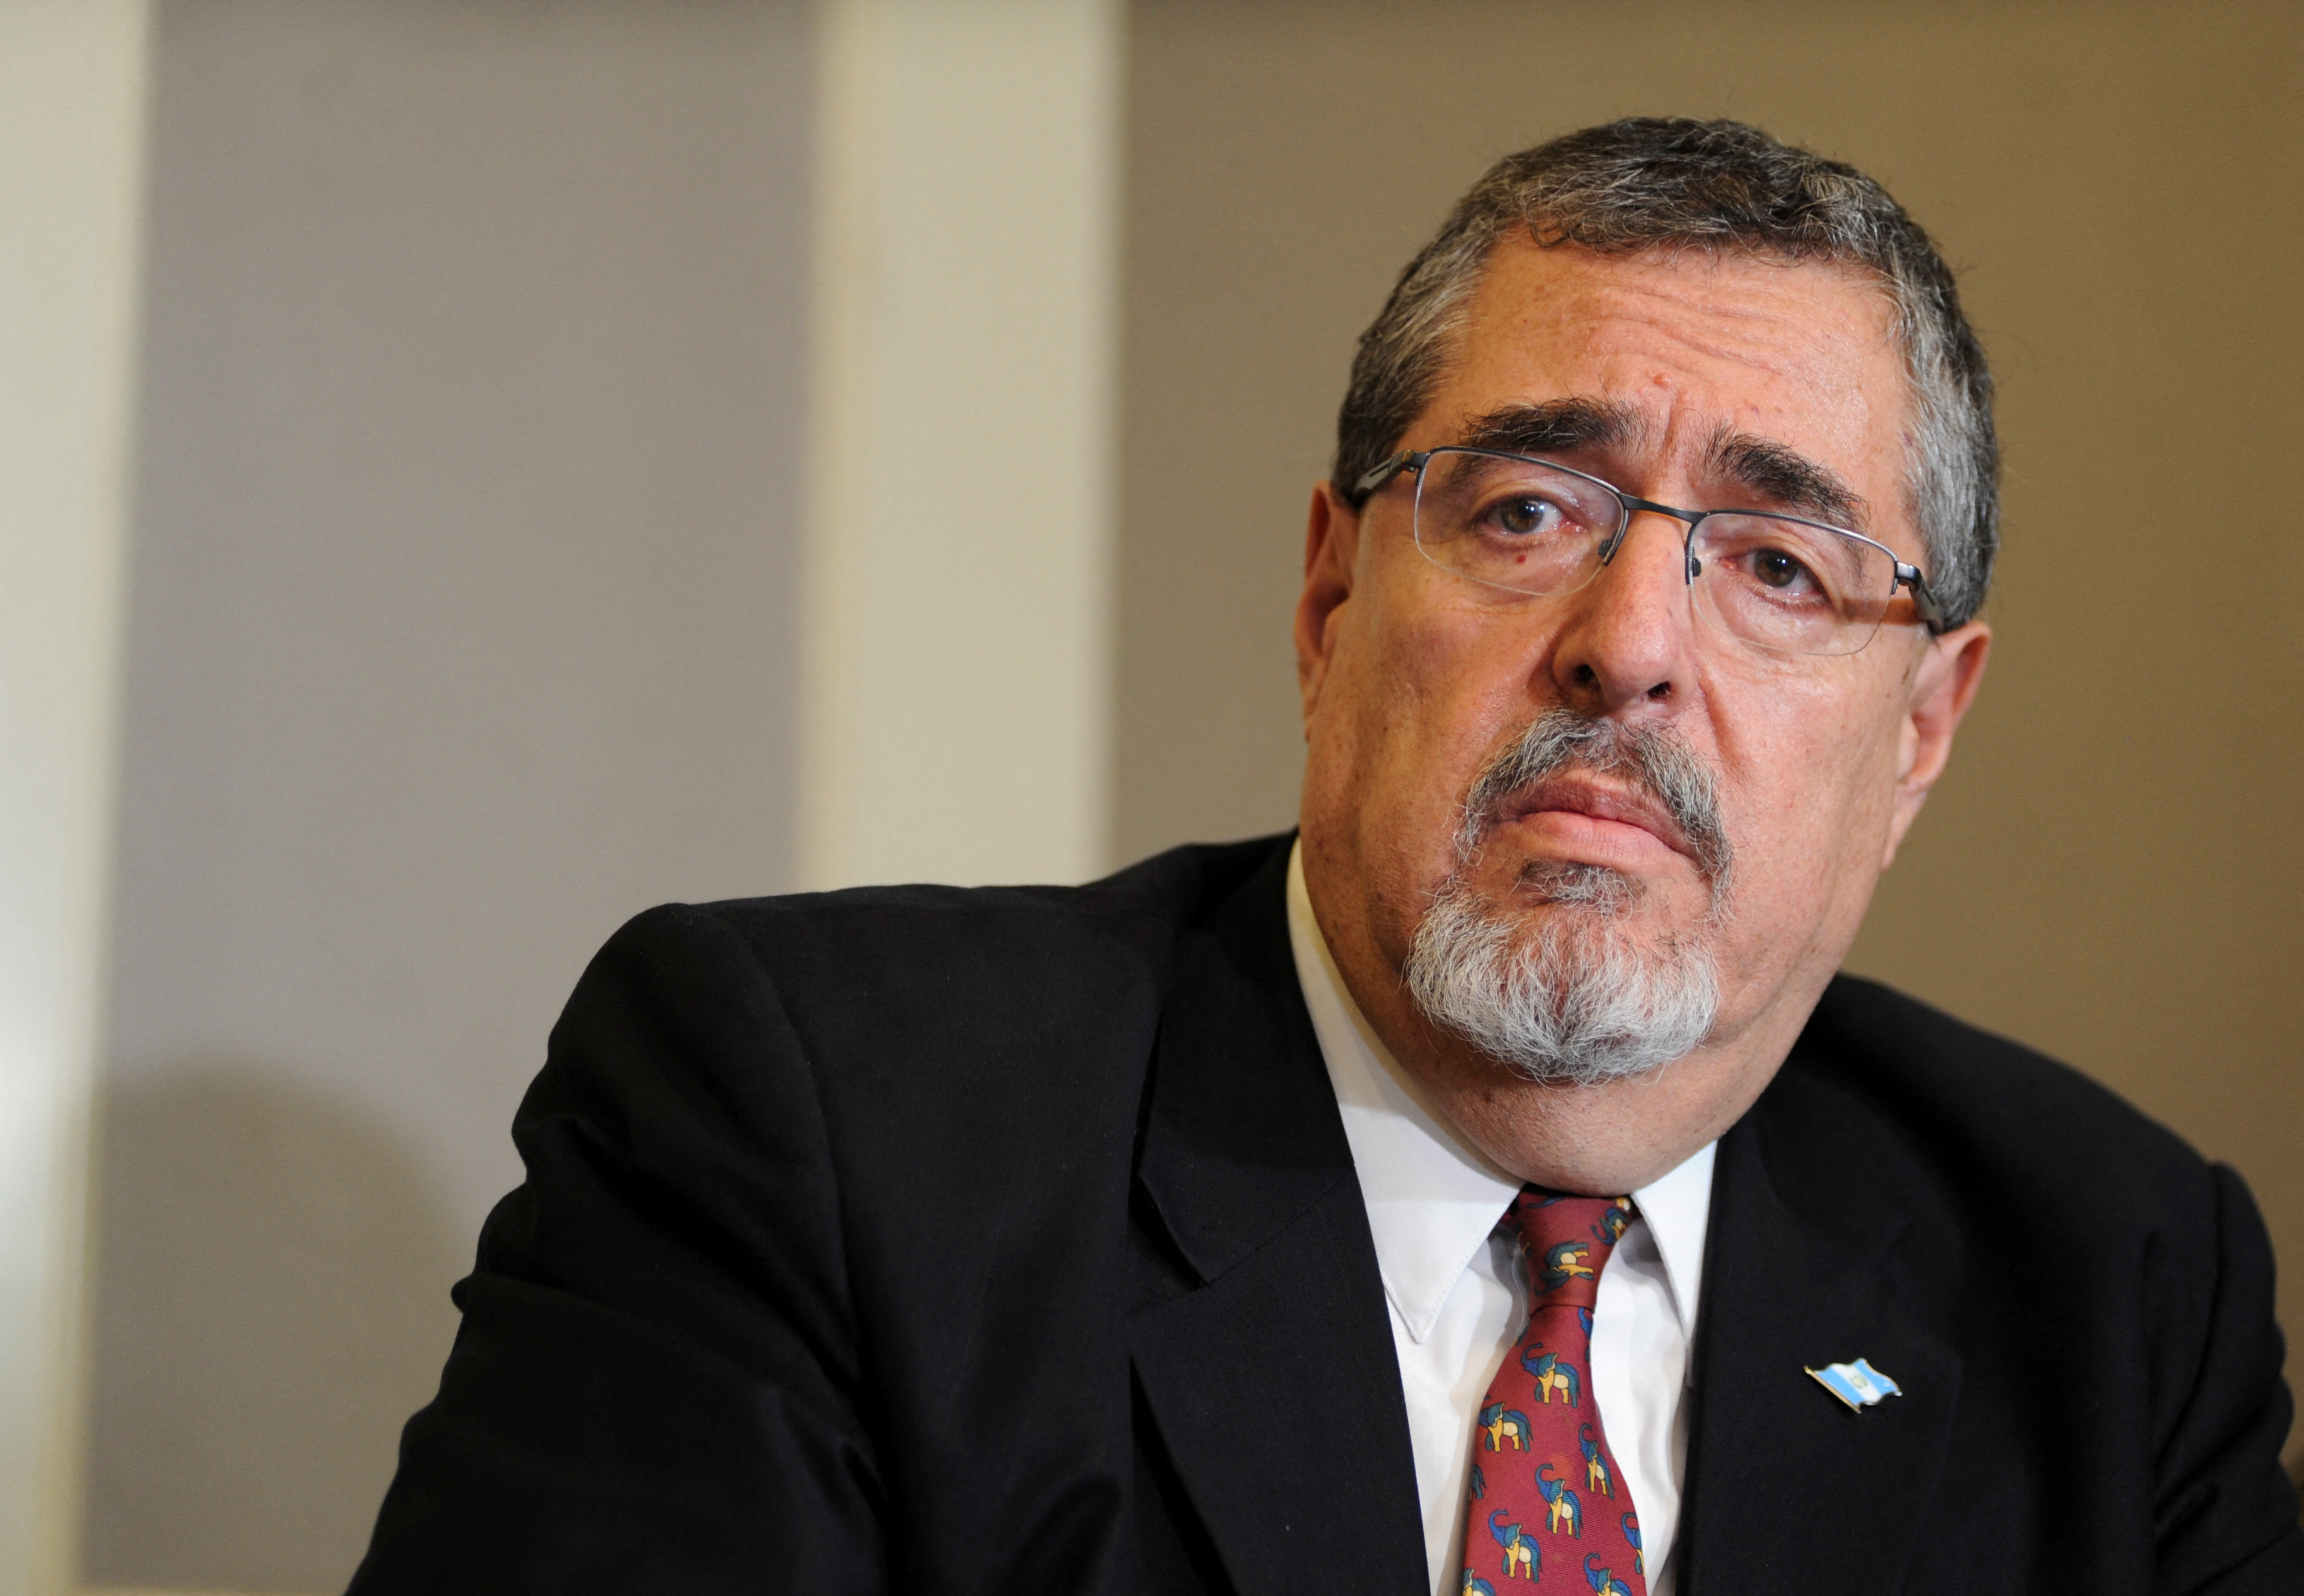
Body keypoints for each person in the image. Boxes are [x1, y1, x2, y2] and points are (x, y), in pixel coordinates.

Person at [348, 118, 2302, 1595]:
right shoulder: (814, 1131)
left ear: (1920, 732)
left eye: (1776, 563)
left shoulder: (2113, 1280)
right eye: (1531, 506)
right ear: (1328, 594)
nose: (1629, 641)